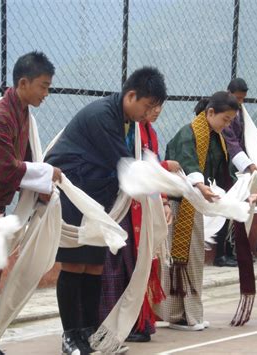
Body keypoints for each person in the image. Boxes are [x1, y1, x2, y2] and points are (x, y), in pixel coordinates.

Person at [45, 67, 167, 354]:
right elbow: (126, 164)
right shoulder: (103, 116)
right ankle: (70, 336)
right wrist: (168, 183)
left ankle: (90, 333)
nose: (147, 114)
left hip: (99, 199)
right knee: (75, 265)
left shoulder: (128, 121)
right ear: (131, 95)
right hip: (75, 194)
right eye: (147, 106)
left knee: (95, 267)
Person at [0, 51, 61, 354]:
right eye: (43, 86)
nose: (46, 93)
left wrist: (41, 186)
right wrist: (45, 174)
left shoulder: (21, 111)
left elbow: (23, 159)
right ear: (23, 83)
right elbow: (3, 166)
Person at [159, 91, 239, 331]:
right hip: (176, 205)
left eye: (230, 121)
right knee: (178, 260)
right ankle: (180, 315)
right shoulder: (188, 133)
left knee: (191, 260)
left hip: (193, 204)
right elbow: (188, 161)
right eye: (225, 119)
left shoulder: (216, 137)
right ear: (210, 113)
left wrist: (242, 191)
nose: (227, 125)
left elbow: (224, 172)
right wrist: (200, 184)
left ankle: (184, 313)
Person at [99, 104, 178, 343]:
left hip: (143, 207)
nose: (156, 112)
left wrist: (164, 202)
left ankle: (138, 321)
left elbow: (153, 174)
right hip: (120, 206)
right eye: (151, 106)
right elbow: (128, 167)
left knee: (139, 265)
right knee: (118, 268)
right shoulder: (125, 129)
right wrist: (165, 168)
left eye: (160, 107)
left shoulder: (150, 132)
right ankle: (112, 326)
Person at [215, 78, 257, 267]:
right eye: (237, 98)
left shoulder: (239, 112)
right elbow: (231, 142)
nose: (240, 102)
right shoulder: (224, 114)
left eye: (242, 99)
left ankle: (230, 251)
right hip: (225, 167)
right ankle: (220, 254)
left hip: (236, 168)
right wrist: (248, 165)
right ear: (229, 93)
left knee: (234, 209)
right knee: (224, 210)